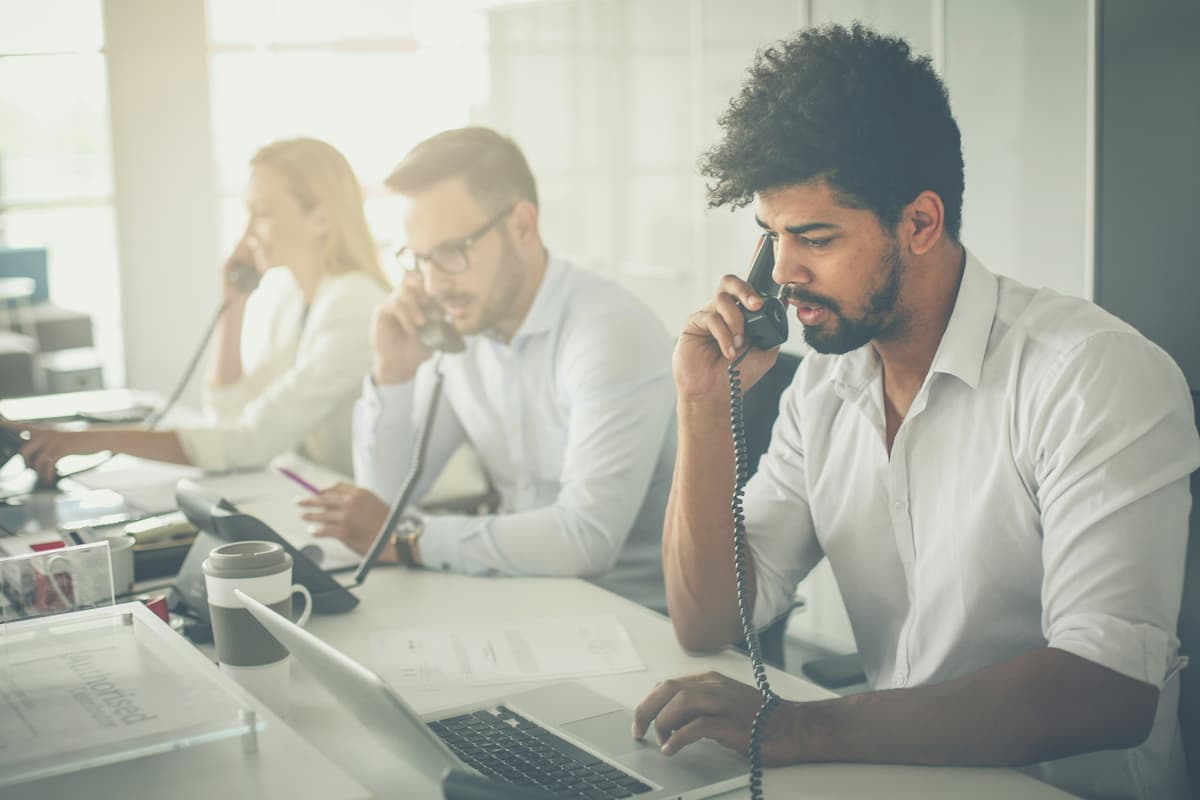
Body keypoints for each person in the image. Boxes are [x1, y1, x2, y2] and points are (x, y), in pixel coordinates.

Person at [631, 23, 1200, 800]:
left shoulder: (1091, 376)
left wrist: (799, 728)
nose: (782, 274)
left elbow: (1107, 689)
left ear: (921, 223)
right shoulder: (823, 392)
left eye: (816, 238)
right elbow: (707, 623)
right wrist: (701, 407)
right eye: (772, 238)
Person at [296, 126, 675, 611]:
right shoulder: (465, 331)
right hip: (525, 595)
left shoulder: (607, 334)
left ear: (522, 225)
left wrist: (412, 538)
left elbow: (586, 539)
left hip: (636, 618)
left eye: (452, 252)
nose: (433, 284)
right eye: (420, 259)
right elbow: (381, 507)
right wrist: (392, 373)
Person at [15, 138, 389, 478]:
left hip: (365, 513)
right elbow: (229, 417)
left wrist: (88, 440)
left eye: (263, 213)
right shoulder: (294, 298)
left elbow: (249, 442)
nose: (247, 233)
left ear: (321, 219)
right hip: (316, 492)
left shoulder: (354, 307)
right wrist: (233, 303)